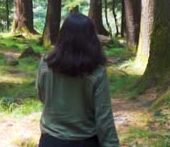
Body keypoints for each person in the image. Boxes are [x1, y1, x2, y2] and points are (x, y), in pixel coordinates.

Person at [36, 13, 119, 147]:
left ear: (62, 37)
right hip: (86, 141)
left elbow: (41, 96)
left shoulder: (46, 64)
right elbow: (104, 116)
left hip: (50, 140)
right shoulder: (96, 70)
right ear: (92, 39)